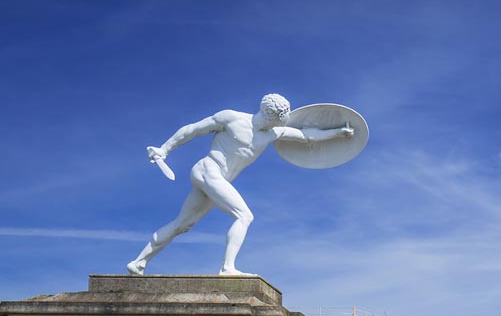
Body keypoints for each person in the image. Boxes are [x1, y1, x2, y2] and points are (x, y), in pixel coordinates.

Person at [129, 94, 355, 276]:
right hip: (209, 170)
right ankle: (227, 269)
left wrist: (338, 133)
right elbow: (192, 129)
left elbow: (306, 136)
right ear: (270, 114)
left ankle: (138, 263)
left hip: (217, 180)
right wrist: (164, 149)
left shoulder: (272, 133)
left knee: (182, 225)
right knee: (244, 216)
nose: (283, 122)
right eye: (280, 117)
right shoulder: (232, 118)